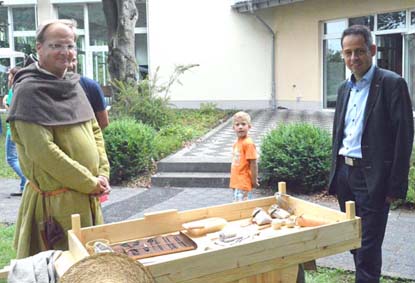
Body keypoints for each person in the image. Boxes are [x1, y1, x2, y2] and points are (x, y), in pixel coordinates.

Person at [7, 19, 110, 258]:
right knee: (60, 268)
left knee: (89, 266)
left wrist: (103, 172)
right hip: (56, 206)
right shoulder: (27, 92)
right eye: (56, 45)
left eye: (70, 46)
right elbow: (44, 152)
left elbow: (95, 130)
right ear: (39, 48)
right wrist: (89, 182)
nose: (65, 52)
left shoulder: (74, 85)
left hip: (88, 196)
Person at [328, 25, 414, 283]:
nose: (353, 58)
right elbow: (338, 134)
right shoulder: (345, 88)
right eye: (347, 53)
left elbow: (404, 138)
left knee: (368, 246)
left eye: (359, 52)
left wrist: (395, 185)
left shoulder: (392, 84)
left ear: (372, 50)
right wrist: (334, 174)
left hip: (373, 178)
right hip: (345, 175)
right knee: (353, 239)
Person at [2, 67, 27, 196]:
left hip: (12, 130)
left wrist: (5, 103)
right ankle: (23, 186)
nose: (8, 79)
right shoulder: (21, 89)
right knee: (19, 157)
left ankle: (26, 180)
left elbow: (12, 109)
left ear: (14, 77)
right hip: (20, 129)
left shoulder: (13, 89)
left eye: (9, 76)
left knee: (11, 158)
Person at [69, 58, 109, 129]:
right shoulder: (47, 88)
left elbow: (104, 122)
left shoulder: (90, 86)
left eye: (73, 60)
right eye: (66, 60)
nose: (70, 65)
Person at [229, 111, 259, 201]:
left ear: (249, 126)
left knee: (241, 208)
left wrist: (254, 180)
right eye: (237, 124)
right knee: (237, 206)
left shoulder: (248, 143)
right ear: (233, 128)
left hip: (243, 182)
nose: (240, 127)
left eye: (243, 124)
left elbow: (253, 164)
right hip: (235, 182)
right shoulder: (236, 143)